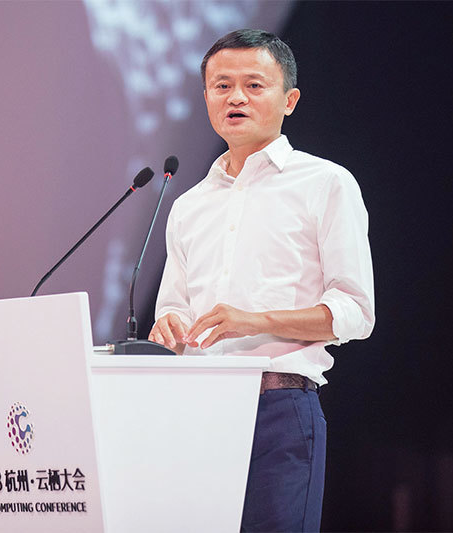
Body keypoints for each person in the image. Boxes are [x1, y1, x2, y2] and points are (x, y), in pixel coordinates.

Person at [147, 29, 375, 532]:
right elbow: (174, 308)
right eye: (222, 85)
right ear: (206, 97)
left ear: (289, 100)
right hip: (194, 411)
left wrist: (252, 321)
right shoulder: (188, 205)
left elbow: (356, 314)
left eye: (254, 85)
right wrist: (169, 327)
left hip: (279, 409)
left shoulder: (326, 184)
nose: (236, 97)